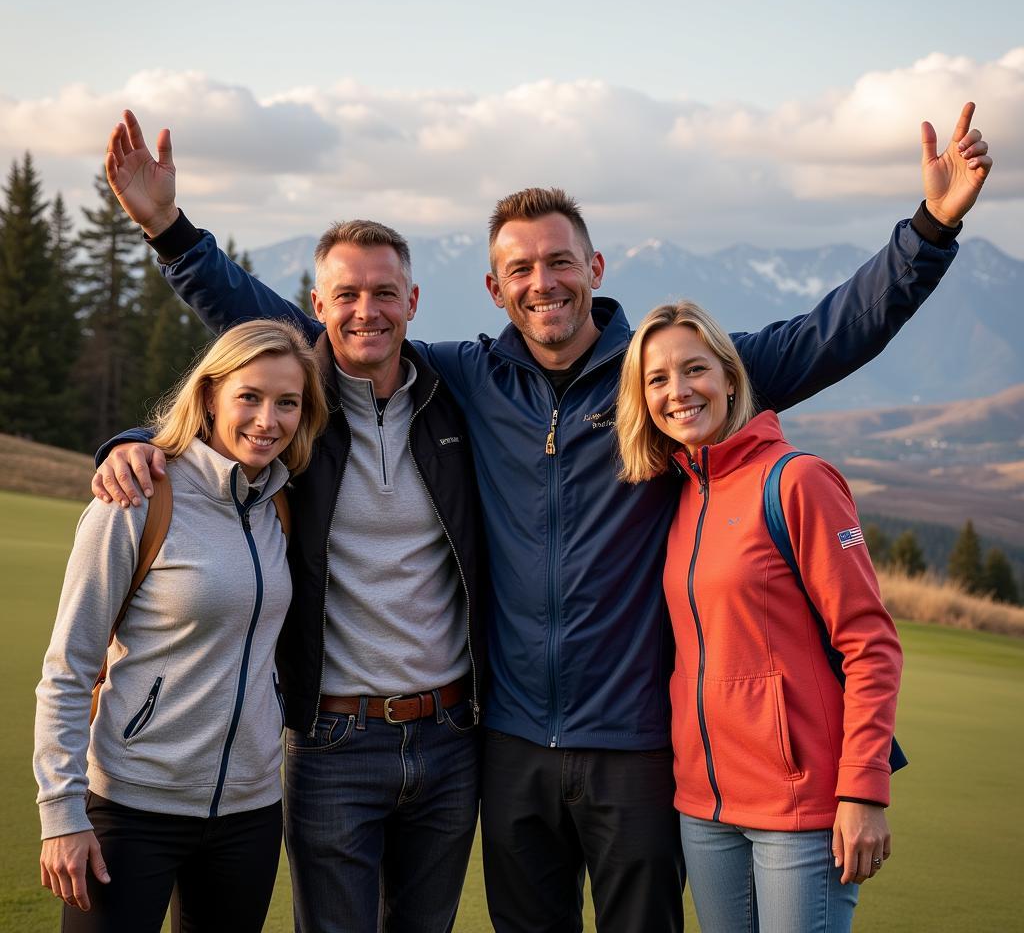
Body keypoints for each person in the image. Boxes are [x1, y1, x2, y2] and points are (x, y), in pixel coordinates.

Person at [94, 105, 990, 932]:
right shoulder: (466, 377)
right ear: (493, 286)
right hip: (510, 743)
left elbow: (825, 334)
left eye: (560, 262)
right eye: (520, 268)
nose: (543, 283)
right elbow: (296, 343)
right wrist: (170, 265)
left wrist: (931, 231)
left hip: (636, 741)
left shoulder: (660, 377)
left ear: (594, 270)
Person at [97, 115, 490, 933]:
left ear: (413, 301)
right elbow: (224, 376)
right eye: (345, 295)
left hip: (453, 738)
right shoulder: (298, 413)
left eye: (385, 293)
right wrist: (167, 231)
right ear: (318, 307)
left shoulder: (459, 396)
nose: (367, 311)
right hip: (331, 742)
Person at [615, 299, 903, 932]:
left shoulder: (798, 481)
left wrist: (863, 791)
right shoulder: (681, 493)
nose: (679, 391)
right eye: (657, 380)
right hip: (704, 807)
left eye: (694, 370)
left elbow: (871, 645)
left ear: (730, 377)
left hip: (799, 809)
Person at [34, 319, 328, 932]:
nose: (267, 420)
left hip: (249, 815)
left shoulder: (279, 503)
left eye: (288, 403)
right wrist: (61, 812)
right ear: (210, 395)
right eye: (249, 396)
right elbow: (69, 666)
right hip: (133, 808)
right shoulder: (137, 496)